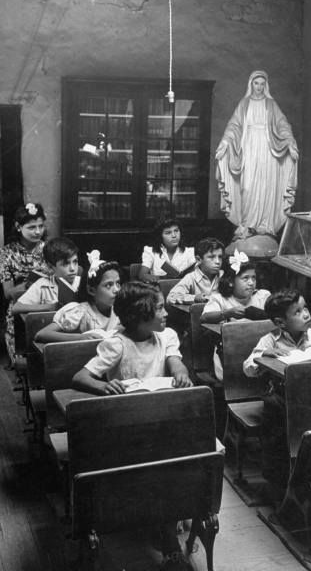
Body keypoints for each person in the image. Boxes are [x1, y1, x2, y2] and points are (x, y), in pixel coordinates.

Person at [72, 281, 193, 571]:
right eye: (160, 308)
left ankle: (166, 519)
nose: (166, 313)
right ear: (141, 314)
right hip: (125, 424)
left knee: (180, 461)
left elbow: (176, 363)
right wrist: (103, 385)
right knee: (155, 468)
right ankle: (165, 534)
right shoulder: (117, 343)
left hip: (160, 419)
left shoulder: (167, 337)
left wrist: (181, 374)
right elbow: (81, 377)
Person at [243, 289, 311, 488]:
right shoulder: (269, 340)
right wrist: (263, 356)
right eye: (297, 312)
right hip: (282, 396)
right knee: (277, 423)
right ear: (280, 322)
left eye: (305, 307)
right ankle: (278, 478)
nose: (306, 314)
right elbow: (247, 368)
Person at [215, 70, 298, 240]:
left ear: (265, 85)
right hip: (248, 147)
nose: (259, 87)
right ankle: (246, 224)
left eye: (262, 83)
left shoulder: (271, 104)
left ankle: (264, 226)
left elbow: (282, 124)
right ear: (250, 84)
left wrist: (290, 142)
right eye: (256, 83)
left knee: (266, 186)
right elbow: (234, 125)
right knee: (248, 186)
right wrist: (224, 143)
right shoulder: (244, 104)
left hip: (268, 150)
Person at [35, 250, 121, 343]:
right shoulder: (79, 312)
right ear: (91, 290)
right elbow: (42, 334)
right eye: (109, 285)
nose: (116, 289)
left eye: (118, 283)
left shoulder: (119, 311)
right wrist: (81, 338)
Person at [0, 203, 50, 363]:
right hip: (19, 310)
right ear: (18, 227)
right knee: (27, 359)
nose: (37, 232)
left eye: (41, 226)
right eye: (32, 227)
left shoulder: (49, 249)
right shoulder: (6, 253)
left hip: (48, 304)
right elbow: (8, 293)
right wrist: (32, 281)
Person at [12, 237, 80, 315]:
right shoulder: (43, 284)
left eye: (75, 262)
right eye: (65, 264)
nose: (72, 268)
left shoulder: (83, 282)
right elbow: (16, 308)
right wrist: (50, 306)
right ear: (51, 266)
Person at [200, 250, 271, 324]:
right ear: (231, 282)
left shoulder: (262, 296)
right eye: (245, 278)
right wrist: (227, 313)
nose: (251, 283)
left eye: (253, 278)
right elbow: (204, 318)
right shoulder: (220, 299)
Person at [166, 237, 225, 305]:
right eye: (211, 257)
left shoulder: (224, 275)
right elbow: (171, 297)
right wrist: (194, 298)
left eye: (220, 257)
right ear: (198, 259)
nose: (217, 262)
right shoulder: (191, 278)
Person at [138, 217, 196, 282]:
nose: (174, 235)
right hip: (159, 290)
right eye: (168, 233)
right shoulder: (150, 251)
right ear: (160, 236)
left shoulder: (190, 252)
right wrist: (165, 278)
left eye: (176, 231)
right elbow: (142, 275)